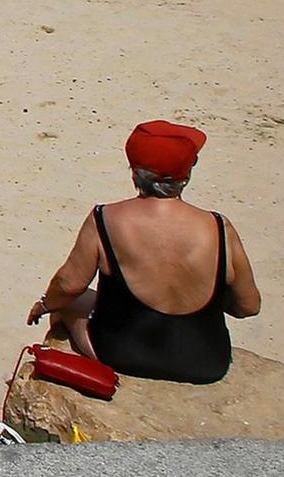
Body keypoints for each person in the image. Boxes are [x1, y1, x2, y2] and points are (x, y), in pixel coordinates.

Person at [27, 122, 261, 384]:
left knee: (66, 306)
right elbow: (248, 306)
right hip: (205, 363)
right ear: (187, 173)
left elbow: (69, 284)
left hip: (122, 355)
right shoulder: (219, 227)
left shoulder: (105, 218)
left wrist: (45, 305)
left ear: (135, 171)